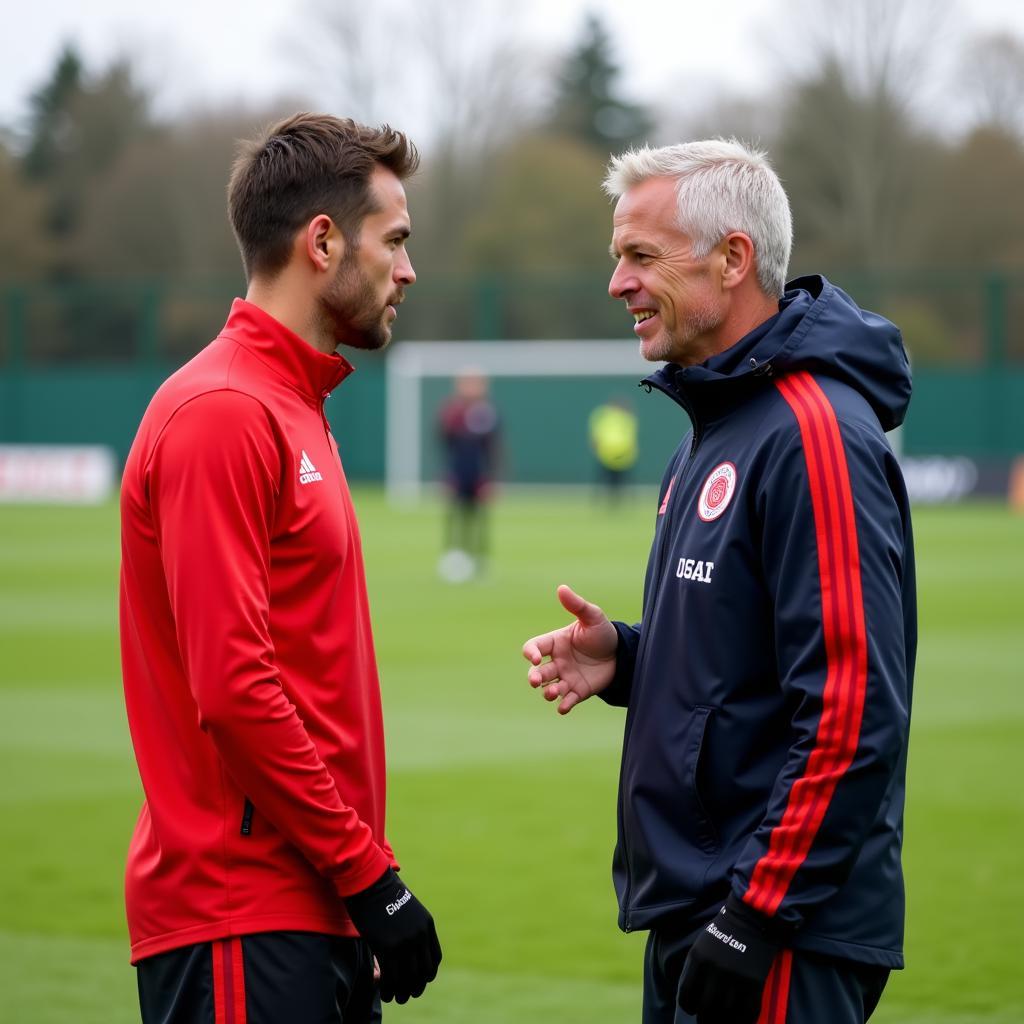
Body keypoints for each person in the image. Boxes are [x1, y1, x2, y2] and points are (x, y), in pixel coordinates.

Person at [522, 140, 915, 1024]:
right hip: (707, 909)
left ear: (733, 258)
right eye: (616, 256)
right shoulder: (715, 426)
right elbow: (746, 665)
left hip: (776, 927)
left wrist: (757, 914)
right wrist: (628, 660)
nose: (618, 282)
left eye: (641, 256)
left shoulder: (813, 434)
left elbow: (852, 707)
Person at [119, 113, 441, 1023]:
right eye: (397, 240)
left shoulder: (294, 406)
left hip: (315, 906)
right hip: (239, 916)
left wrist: (356, 887)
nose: (408, 270)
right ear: (323, 241)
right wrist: (369, 877)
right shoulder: (223, 411)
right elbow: (233, 687)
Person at [436, 368, 500, 582]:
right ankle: (454, 557)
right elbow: (444, 445)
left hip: (479, 475)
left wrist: (491, 478)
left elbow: (493, 448)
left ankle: (479, 559)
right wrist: (447, 475)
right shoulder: (452, 413)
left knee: (479, 518)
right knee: (455, 517)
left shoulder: (487, 412)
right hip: (458, 473)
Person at [589, 396, 639, 502]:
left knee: (620, 481)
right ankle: (600, 500)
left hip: (621, 456)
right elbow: (598, 434)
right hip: (607, 454)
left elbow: (630, 437)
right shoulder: (606, 417)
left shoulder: (626, 418)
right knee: (606, 480)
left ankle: (620, 501)